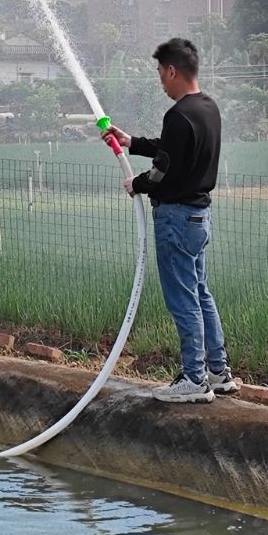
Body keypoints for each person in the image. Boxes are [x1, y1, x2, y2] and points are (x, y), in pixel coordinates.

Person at [102, 37, 239, 404]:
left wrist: (137, 183)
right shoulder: (207, 108)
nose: (161, 81)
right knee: (200, 292)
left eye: (161, 73)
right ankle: (218, 371)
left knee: (183, 300)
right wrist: (130, 142)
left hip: (176, 218)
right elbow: (173, 149)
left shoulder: (178, 114)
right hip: (199, 217)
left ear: (173, 70)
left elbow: (163, 172)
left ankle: (194, 379)